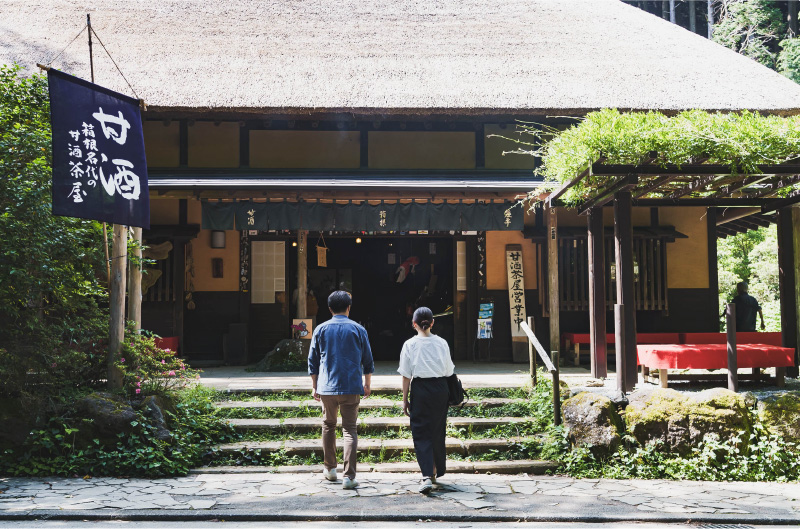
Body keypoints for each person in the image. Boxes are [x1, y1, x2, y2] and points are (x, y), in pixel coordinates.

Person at [308, 291, 374, 490]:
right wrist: (367, 384)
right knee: (350, 429)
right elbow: (368, 360)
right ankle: (349, 476)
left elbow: (312, 361)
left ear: (329, 309)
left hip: (327, 387)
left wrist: (314, 385)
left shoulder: (320, 329)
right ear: (349, 307)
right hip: (351, 386)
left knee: (328, 425)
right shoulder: (358, 329)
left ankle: (330, 469)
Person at [398, 306, 455, 494]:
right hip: (440, 388)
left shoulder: (410, 345)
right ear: (433, 323)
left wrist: (405, 399)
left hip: (420, 389)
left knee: (421, 431)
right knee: (437, 429)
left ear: (414, 324)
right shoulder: (442, 343)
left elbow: (406, 375)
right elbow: (449, 370)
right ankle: (435, 469)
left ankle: (426, 474)